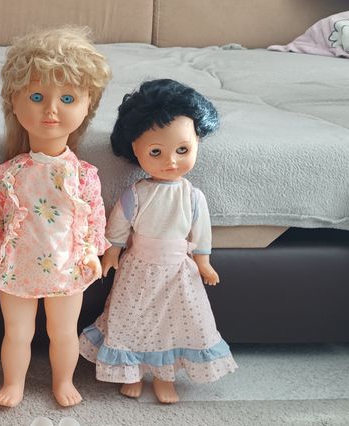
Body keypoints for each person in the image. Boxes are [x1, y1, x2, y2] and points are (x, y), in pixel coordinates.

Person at [79, 78, 237, 404]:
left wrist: (204, 263)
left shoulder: (192, 196)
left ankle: (165, 378)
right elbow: (118, 227)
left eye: (183, 150)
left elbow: (200, 233)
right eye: (156, 151)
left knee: (172, 323)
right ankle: (133, 373)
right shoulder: (136, 194)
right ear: (135, 150)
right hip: (139, 268)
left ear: (197, 142)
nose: (171, 161)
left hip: (178, 272)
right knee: (131, 319)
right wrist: (111, 254)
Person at [0, 27, 111, 408]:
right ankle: (14, 383)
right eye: (37, 97)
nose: (51, 110)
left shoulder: (83, 175)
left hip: (66, 264)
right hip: (17, 264)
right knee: (17, 332)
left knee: (64, 331)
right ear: (15, 102)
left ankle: (63, 381)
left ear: (87, 105)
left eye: (67, 98)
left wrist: (93, 252)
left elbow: (94, 218)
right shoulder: (7, 173)